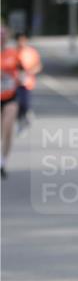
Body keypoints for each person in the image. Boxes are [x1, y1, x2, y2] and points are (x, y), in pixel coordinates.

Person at [1, 26, 20, 178]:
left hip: (10, 96)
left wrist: (20, 77)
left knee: (8, 129)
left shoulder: (13, 53)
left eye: (3, 36)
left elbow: (23, 69)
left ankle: (3, 161)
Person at [14, 32, 42, 132]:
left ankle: (26, 116)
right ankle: (21, 121)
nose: (21, 42)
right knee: (15, 104)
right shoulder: (13, 52)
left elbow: (38, 66)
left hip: (27, 83)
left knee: (24, 103)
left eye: (23, 40)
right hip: (14, 83)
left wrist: (30, 72)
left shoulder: (31, 52)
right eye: (19, 40)